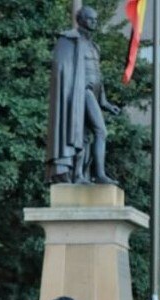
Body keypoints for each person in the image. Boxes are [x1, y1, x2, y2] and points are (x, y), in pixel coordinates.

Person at [46, 5, 120, 185]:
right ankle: (98, 174)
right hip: (79, 93)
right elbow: (61, 69)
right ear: (80, 20)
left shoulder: (94, 46)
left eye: (96, 19)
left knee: (84, 135)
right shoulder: (69, 40)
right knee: (100, 131)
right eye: (90, 19)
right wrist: (73, 93)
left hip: (92, 94)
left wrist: (105, 102)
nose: (94, 22)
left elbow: (97, 76)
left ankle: (81, 175)